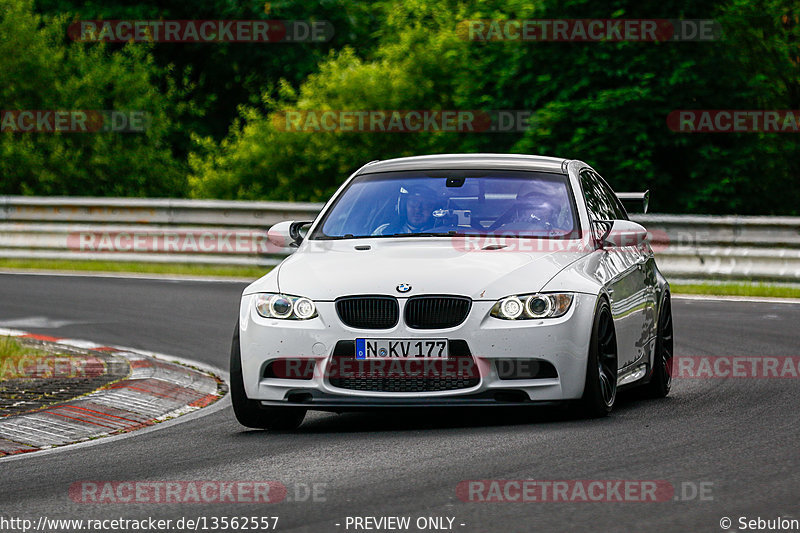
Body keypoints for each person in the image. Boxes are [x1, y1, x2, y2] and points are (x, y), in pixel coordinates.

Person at [373, 184, 439, 235]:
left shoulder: (442, 234)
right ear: (403, 206)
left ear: (433, 209)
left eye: (425, 204)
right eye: (414, 202)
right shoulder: (383, 231)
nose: (418, 209)